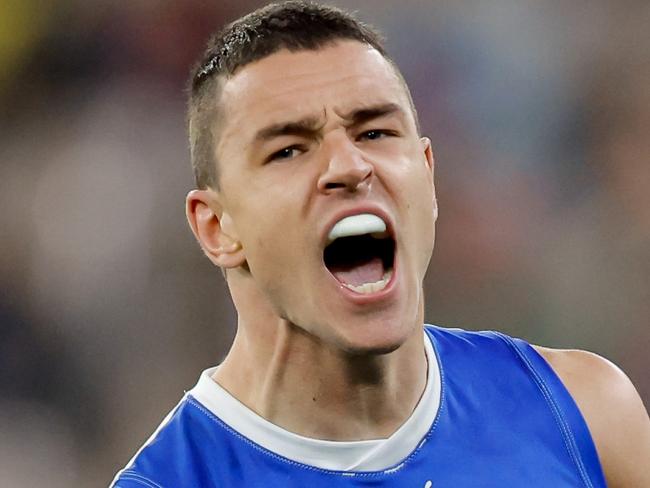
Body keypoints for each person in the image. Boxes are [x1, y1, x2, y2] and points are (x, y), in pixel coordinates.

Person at [111, 2, 650, 486]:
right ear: (216, 227)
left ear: (428, 176)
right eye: (289, 150)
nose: (348, 166)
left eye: (374, 133)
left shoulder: (584, 415)